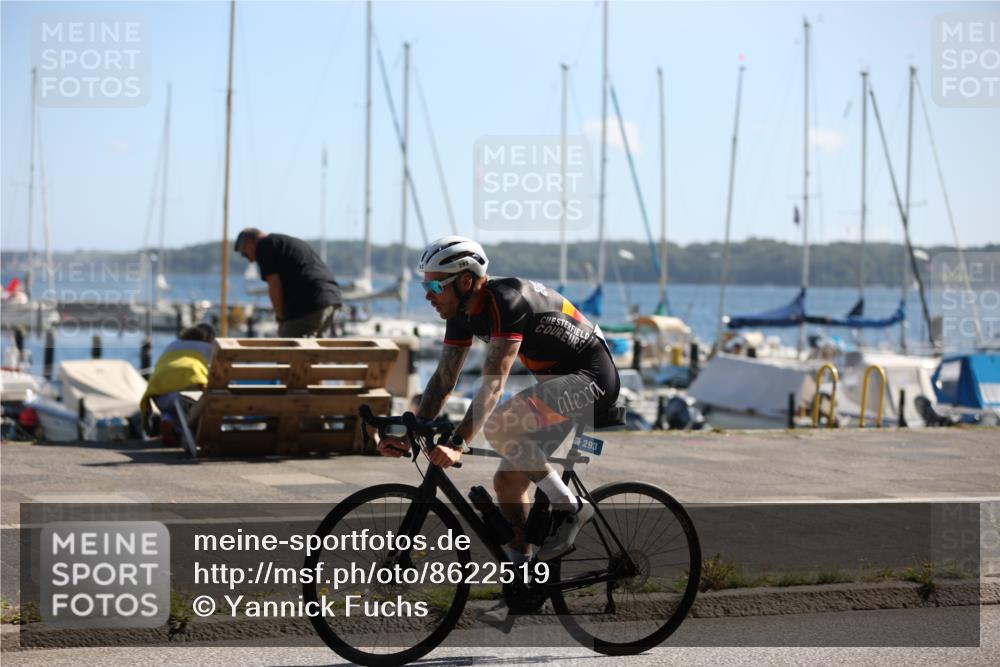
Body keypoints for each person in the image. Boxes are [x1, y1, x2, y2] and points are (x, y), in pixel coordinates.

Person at [378, 236, 621, 583]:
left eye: (434, 285)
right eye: (424, 284)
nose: (427, 294)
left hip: (592, 378)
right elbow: (445, 378)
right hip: (556, 382)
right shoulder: (460, 311)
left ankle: (571, 507)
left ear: (465, 281)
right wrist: (413, 428)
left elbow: (494, 383)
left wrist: (459, 442)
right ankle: (523, 573)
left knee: (502, 425)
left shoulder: (507, 301)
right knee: (506, 481)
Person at [234, 228, 342, 337]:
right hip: (331, 298)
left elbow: (275, 286)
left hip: (310, 302)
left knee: (288, 346)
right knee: (315, 351)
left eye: (245, 254)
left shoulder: (264, 245)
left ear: (249, 242)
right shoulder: (288, 242)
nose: (250, 260)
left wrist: (281, 320)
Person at [140, 323, 216, 446]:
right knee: (192, 407)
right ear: (209, 338)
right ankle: (180, 432)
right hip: (185, 392)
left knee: (173, 409)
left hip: (158, 393)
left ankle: (167, 421)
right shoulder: (207, 348)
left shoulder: (173, 344)